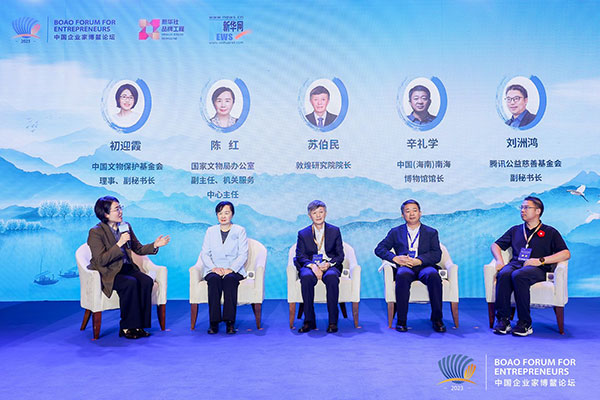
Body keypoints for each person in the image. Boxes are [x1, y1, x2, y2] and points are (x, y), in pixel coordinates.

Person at [87, 196, 170, 339]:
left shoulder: (125, 226)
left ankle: (139, 326)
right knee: (130, 283)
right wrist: (119, 244)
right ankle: (126, 327)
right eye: (116, 209)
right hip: (109, 272)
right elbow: (100, 260)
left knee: (146, 281)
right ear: (106, 214)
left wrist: (155, 245)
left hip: (127, 268)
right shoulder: (96, 232)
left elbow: (137, 248)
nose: (120, 211)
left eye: (120, 207)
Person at [491, 196, 570, 336]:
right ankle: (503, 320)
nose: (522, 210)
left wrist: (541, 260)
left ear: (538, 211)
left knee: (519, 275)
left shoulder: (550, 232)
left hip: (538, 269)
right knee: (504, 273)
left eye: (527, 207)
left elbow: (565, 253)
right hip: (516, 264)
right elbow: (495, 245)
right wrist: (499, 260)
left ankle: (525, 323)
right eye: (521, 207)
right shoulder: (515, 230)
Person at [374, 199, 445, 332]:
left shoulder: (431, 232)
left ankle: (437, 319)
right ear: (403, 215)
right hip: (405, 267)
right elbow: (379, 249)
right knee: (402, 275)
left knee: (433, 275)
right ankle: (401, 320)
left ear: (420, 213)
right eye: (407, 211)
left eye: (414, 210)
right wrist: (395, 258)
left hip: (424, 266)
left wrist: (419, 260)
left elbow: (437, 254)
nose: (411, 214)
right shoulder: (395, 232)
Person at [294, 200, 344, 333]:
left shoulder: (334, 231)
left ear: (325, 213)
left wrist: (328, 264)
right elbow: (300, 256)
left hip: (330, 265)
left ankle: (333, 322)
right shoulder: (303, 233)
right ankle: (309, 321)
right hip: (311, 266)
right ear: (309, 216)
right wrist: (312, 266)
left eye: (321, 212)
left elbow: (340, 255)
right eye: (314, 213)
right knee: (306, 277)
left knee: (332, 277)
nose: (318, 215)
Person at [200, 201, 248, 334]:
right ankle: (213, 322)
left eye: (226, 213)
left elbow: (243, 254)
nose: (223, 216)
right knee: (214, 280)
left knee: (230, 279)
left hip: (234, 269)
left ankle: (230, 322)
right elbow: (205, 253)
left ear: (232, 214)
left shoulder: (240, 230)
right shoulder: (210, 231)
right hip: (214, 269)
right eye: (220, 213)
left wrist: (231, 269)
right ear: (216, 215)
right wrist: (214, 268)